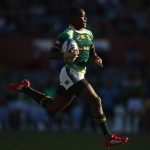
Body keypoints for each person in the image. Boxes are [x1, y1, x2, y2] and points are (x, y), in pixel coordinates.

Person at [7, 7, 128, 148]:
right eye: (82, 17)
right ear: (73, 19)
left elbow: (92, 49)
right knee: (95, 100)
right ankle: (109, 137)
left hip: (79, 73)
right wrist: (65, 55)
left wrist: (96, 58)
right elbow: (51, 55)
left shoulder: (89, 33)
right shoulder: (67, 34)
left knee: (53, 109)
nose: (86, 19)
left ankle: (25, 88)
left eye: (86, 16)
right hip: (71, 72)